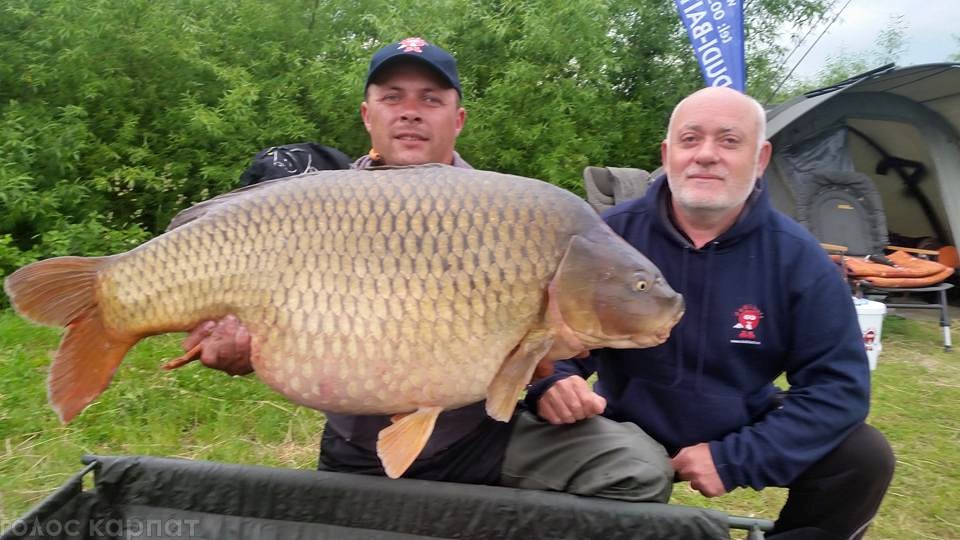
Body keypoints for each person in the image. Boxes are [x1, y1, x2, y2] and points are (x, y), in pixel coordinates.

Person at [180, 37, 673, 502]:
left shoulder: (513, 215)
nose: (411, 111)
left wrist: (547, 377)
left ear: (457, 119)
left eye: (430, 99)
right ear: (367, 115)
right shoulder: (315, 209)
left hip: (482, 438)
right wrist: (240, 346)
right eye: (393, 97)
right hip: (357, 448)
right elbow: (267, 334)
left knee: (637, 469)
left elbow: (527, 331)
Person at [525, 87, 896, 539]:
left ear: (760, 158)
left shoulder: (800, 258)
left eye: (728, 141)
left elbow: (839, 388)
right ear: (668, 154)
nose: (706, 155)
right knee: (509, 435)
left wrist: (735, 458)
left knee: (863, 458)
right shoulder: (608, 237)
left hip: (734, 427)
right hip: (616, 421)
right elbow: (550, 335)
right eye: (690, 139)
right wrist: (553, 380)